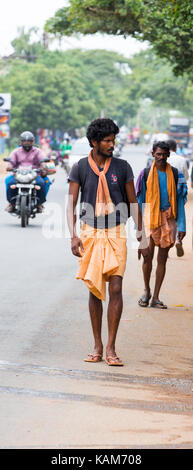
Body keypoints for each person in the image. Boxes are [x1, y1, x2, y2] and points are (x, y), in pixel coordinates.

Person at [67, 118, 150, 366]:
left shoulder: (123, 167)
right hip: (89, 232)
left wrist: (142, 235)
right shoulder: (79, 167)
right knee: (94, 289)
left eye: (113, 140)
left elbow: (133, 202)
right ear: (94, 142)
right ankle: (97, 345)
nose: (111, 144)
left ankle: (112, 348)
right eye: (106, 140)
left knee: (115, 287)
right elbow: (71, 203)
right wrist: (73, 235)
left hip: (116, 231)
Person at [136, 141, 187, 309]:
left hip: (169, 218)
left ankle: (156, 297)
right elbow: (138, 202)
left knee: (162, 259)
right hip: (150, 218)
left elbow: (179, 201)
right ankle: (146, 290)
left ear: (168, 155)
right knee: (147, 256)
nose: (161, 157)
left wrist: (182, 226)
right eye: (158, 154)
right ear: (153, 154)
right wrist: (139, 229)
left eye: (164, 154)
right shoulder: (144, 174)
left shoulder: (176, 174)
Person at [5, 131, 47, 213]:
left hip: (34, 175)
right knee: (10, 183)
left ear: (33, 142)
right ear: (21, 142)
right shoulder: (16, 152)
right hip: (18, 175)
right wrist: (10, 167)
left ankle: (39, 204)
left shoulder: (38, 151)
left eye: (29, 141)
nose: (27, 143)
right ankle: (11, 204)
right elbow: (11, 163)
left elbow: (42, 162)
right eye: (24, 141)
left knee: (41, 183)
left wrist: (43, 167)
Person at [167, 139, 189, 256]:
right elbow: (185, 176)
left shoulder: (163, 159)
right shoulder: (181, 159)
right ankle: (177, 239)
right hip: (178, 192)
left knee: (166, 217)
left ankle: (166, 244)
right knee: (178, 217)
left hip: (165, 194)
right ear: (175, 148)